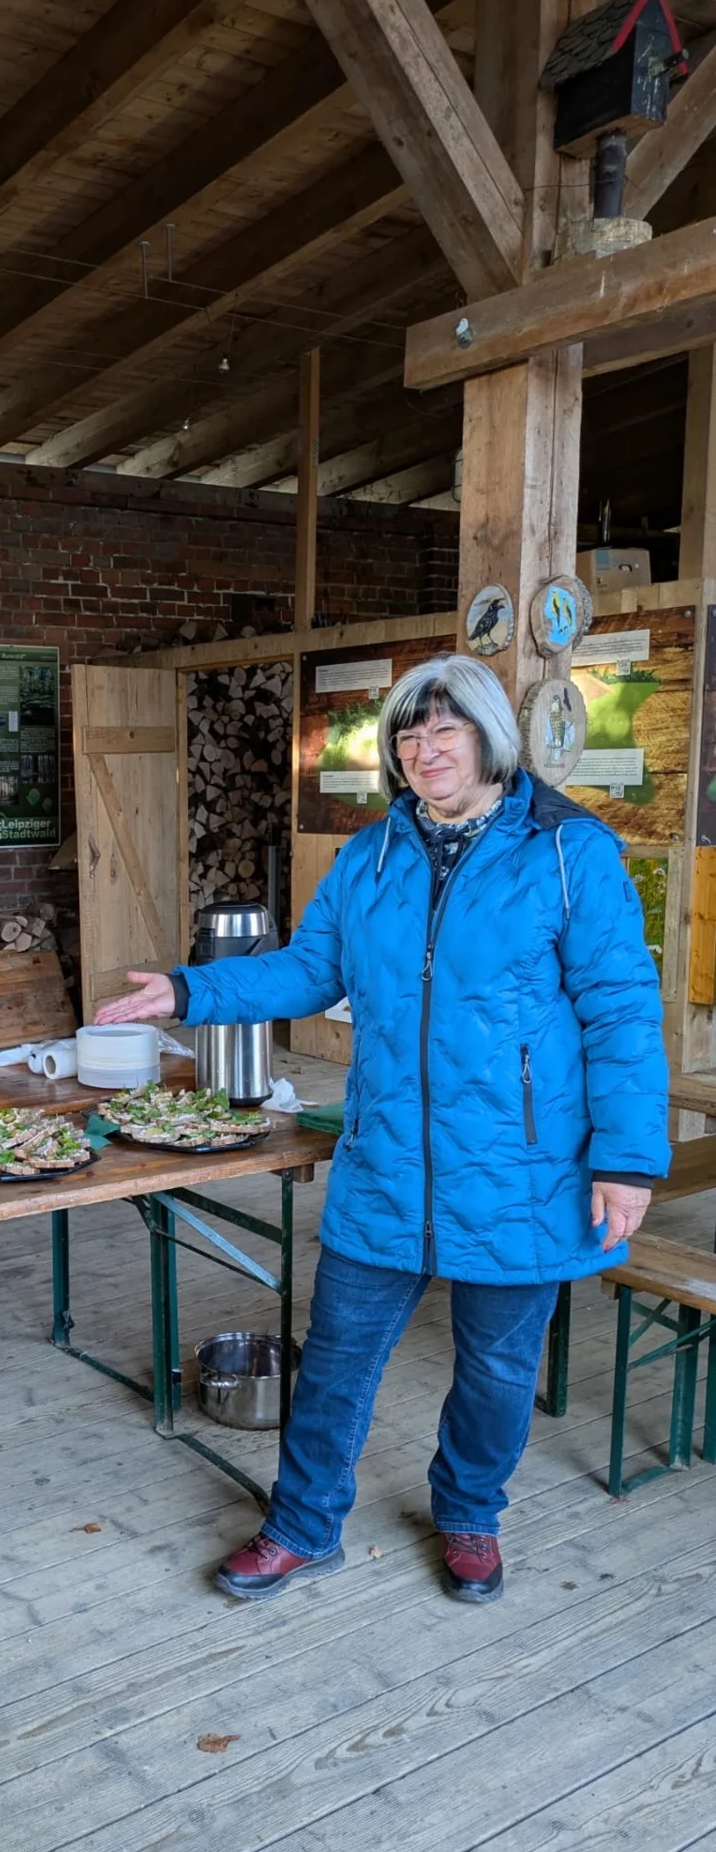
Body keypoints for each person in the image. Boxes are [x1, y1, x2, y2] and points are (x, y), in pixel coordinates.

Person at [96, 655, 668, 1605]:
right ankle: (301, 1525)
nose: (423, 748)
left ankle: (470, 1514)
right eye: (407, 733)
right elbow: (307, 970)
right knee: (335, 1358)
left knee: (494, 1370)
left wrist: (624, 1159)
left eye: (443, 729)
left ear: (488, 737)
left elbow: (619, 1011)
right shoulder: (369, 858)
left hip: (520, 1166)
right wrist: (192, 989)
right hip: (388, 1158)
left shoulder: (569, 852)